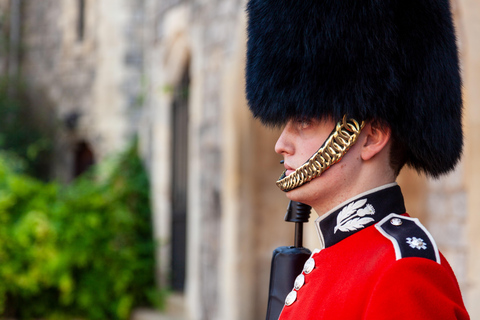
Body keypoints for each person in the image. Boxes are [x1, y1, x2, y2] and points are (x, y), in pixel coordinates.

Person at [245, 0, 470, 319]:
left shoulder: (403, 271)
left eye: (305, 120)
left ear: (371, 135)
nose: (281, 144)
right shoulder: (330, 260)